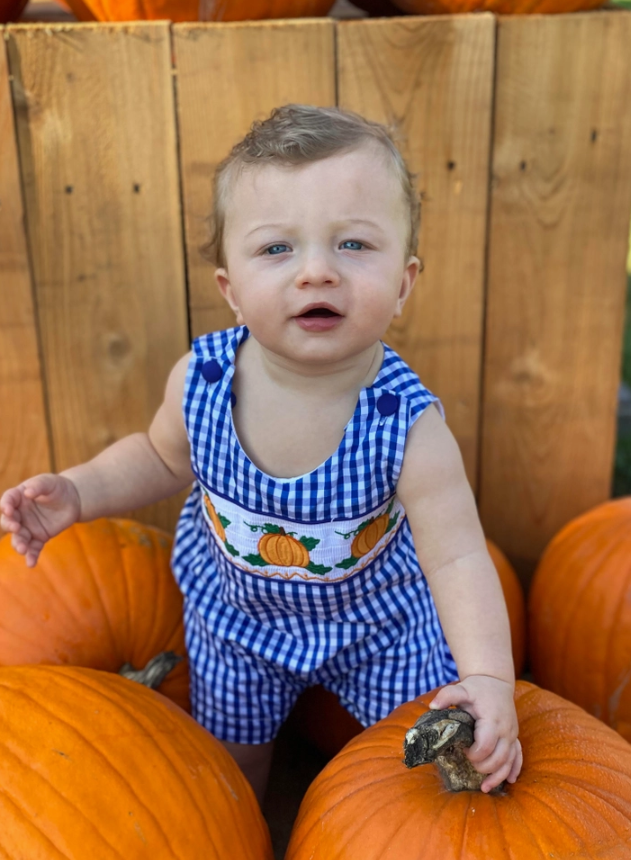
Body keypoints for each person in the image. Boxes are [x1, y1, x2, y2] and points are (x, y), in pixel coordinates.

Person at [0, 104, 521, 806]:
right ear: (231, 291)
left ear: (403, 282)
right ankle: (247, 828)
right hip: (239, 623)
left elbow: (456, 557)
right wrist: (79, 492)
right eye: (277, 249)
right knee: (232, 761)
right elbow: (159, 458)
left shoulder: (407, 425)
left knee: (418, 763)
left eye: (353, 246)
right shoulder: (203, 382)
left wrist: (488, 678)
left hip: (379, 624)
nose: (315, 273)